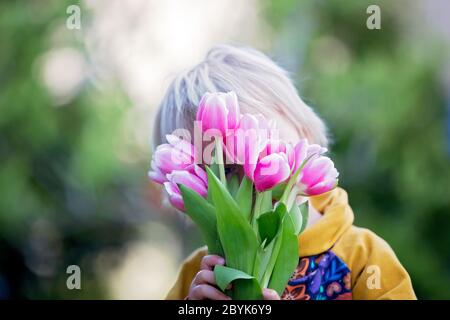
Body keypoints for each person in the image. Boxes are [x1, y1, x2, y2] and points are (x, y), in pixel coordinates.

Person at [153, 45, 416, 300]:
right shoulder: (199, 275)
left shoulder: (364, 259)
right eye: (225, 170)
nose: (249, 178)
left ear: (304, 131)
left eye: (264, 146)